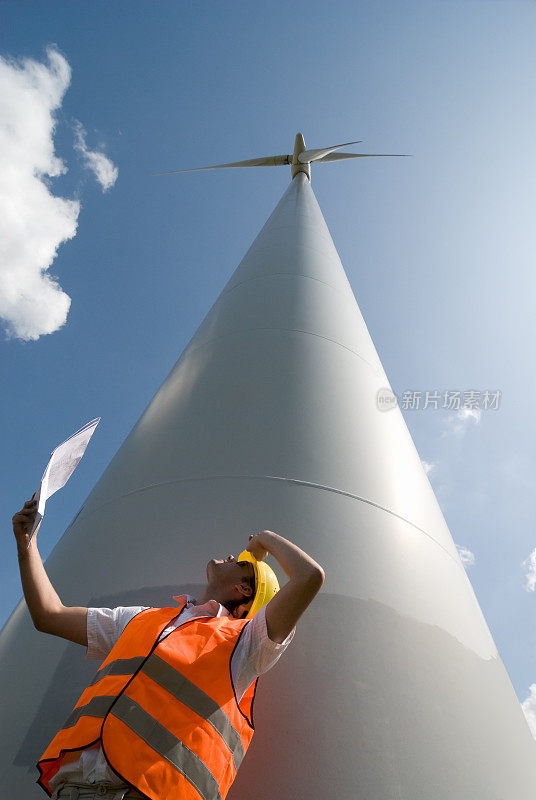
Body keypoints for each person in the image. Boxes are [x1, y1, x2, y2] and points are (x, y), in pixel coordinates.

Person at [12, 496, 325, 800]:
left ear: (244, 589)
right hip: (77, 787)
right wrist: (27, 543)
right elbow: (49, 615)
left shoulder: (247, 643)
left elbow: (309, 577)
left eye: (241, 563)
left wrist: (265, 540)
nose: (232, 557)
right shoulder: (143, 619)